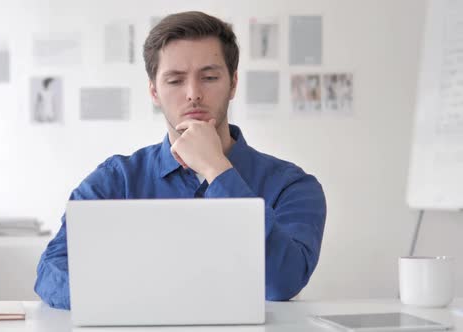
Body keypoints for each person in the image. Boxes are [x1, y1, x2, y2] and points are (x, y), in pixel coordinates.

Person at [34, 11, 326, 310]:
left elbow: (283, 282)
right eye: (175, 80)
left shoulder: (291, 185)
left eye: (210, 77)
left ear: (233, 84)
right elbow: (51, 270)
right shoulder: (116, 179)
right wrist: (134, 302)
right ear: (154, 91)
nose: (193, 94)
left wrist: (217, 169)